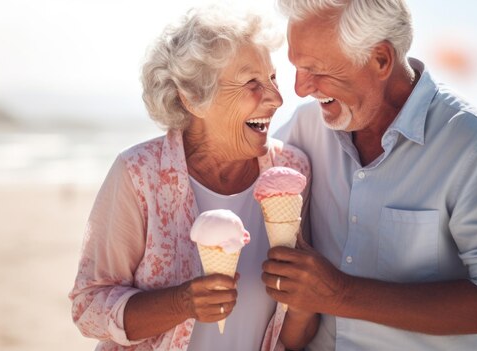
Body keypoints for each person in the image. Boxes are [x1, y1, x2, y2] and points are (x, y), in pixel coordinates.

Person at [69, 5, 318, 351]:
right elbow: (89, 307)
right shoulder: (138, 173)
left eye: (273, 78)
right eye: (252, 83)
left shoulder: (292, 171)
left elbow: (292, 337)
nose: (276, 99)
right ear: (193, 99)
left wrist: (306, 306)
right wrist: (182, 303)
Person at [264, 0, 477, 349]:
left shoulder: (475, 147)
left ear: (381, 59)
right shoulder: (306, 128)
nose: (299, 88)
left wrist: (340, 294)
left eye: (315, 69)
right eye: (296, 67)